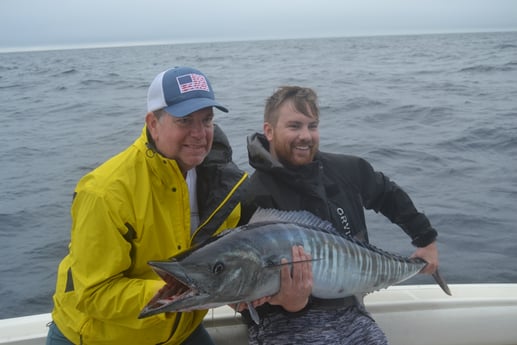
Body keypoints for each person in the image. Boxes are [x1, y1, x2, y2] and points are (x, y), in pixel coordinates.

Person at [46, 66, 248, 345]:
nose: (199, 133)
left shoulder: (226, 185)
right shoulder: (104, 192)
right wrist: (179, 292)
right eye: (185, 120)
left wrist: (244, 292)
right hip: (101, 337)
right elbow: (93, 293)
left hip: (179, 329)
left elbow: (227, 261)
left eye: (207, 120)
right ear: (153, 123)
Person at [239, 86, 441, 345]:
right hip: (282, 324)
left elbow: (387, 194)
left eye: (312, 126)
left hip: (352, 312)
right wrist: (289, 304)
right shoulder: (252, 196)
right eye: (294, 126)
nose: (306, 136)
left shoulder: (347, 170)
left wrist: (426, 239)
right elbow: (246, 290)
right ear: (269, 131)